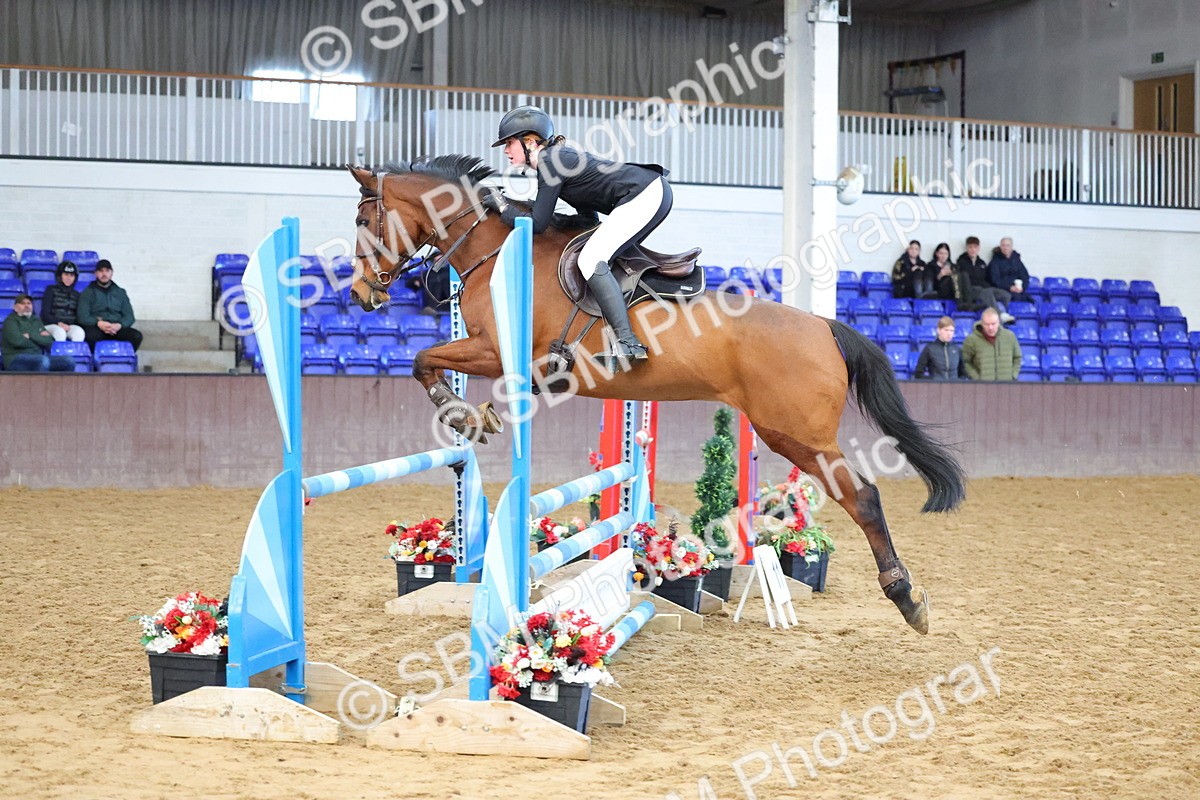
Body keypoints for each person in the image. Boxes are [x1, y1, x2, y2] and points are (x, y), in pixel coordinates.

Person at [484, 105, 671, 370]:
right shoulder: (554, 160)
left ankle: (628, 342)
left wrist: (503, 207)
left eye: (509, 143)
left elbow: (537, 224)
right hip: (650, 192)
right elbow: (587, 218)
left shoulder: (550, 161)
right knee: (598, 257)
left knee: (591, 260)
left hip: (644, 193)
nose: (505, 150)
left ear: (530, 142)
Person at [77, 259, 143, 351]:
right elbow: (82, 316)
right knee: (89, 336)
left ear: (112, 273)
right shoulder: (87, 293)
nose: (104, 274)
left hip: (117, 328)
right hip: (97, 328)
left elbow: (130, 316)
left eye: (107, 271)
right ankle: (96, 359)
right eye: (101, 271)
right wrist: (98, 323)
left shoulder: (120, 292)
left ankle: (123, 358)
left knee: (136, 336)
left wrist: (120, 325)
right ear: (96, 273)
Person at [1, 294, 76, 372]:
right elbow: (18, 342)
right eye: (23, 303)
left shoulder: (36, 321)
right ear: (15, 307)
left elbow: (49, 341)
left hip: (38, 357)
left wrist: (30, 335)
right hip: (15, 359)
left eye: (29, 303)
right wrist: (39, 340)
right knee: (43, 361)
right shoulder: (10, 321)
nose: (26, 306)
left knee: (68, 361)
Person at [956, 236, 1011, 321]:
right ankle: (999, 316)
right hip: (971, 290)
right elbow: (967, 280)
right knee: (986, 292)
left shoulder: (982, 263)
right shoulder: (961, 262)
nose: (973, 250)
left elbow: (986, 279)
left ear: (978, 248)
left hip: (984, 288)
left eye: (975, 247)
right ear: (966, 248)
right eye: (970, 247)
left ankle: (1007, 315)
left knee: (1006, 294)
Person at [961, 308, 1022, 381]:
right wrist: (977, 379)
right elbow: (966, 362)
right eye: (987, 324)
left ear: (999, 322)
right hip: (982, 386)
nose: (990, 327)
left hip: (1006, 384)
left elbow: (1017, 357)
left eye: (993, 324)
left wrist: (1013, 376)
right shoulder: (971, 340)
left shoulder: (1010, 336)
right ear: (982, 323)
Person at [41, 260, 86, 342]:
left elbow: (78, 316)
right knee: (60, 332)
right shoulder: (50, 290)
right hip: (51, 325)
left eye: (71, 275)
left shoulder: (77, 295)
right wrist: (59, 323)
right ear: (60, 276)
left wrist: (69, 324)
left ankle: (74, 351)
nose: (68, 278)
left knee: (79, 332)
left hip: (69, 326)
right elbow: (45, 313)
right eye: (66, 274)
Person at [931, 243, 979, 312]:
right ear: (936, 254)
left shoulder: (953, 265)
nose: (943, 256)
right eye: (941, 253)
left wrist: (952, 272)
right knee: (954, 277)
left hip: (953, 290)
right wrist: (940, 275)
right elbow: (930, 285)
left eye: (945, 254)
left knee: (964, 274)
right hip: (941, 290)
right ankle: (959, 303)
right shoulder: (931, 266)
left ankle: (968, 302)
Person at [914, 316, 965, 381]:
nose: (949, 333)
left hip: (954, 386)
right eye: (946, 330)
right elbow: (918, 374)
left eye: (952, 331)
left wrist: (958, 381)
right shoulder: (930, 348)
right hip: (936, 386)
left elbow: (963, 373)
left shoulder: (957, 349)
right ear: (938, 330)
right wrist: (932, 381)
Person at [986, 237, 1032, 307]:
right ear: (1000, 247)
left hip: (1018, 290)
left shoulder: (1017, 261)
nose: (1005, 248)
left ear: (1011, 247)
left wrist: (1022, 287)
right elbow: (995, 280)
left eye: (1008, 245)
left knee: (1031, 300)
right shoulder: (995, 262)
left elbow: (1025, 276)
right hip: (1003, 290)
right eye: (1003, 245)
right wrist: (1010, 287)